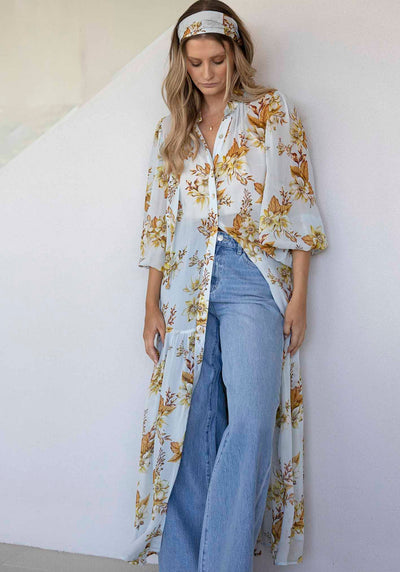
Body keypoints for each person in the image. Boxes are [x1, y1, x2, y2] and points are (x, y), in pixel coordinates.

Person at [124, 1, 328, 570]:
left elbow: (298, 205)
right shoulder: (172, 130)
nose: (207, 72)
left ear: (236, 54)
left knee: (253, 422)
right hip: (185, 283)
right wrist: (150, 304)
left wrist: (299, 295)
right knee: (191, 428)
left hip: (251, 278)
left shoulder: (272, 113)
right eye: (195, 63)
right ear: (182, 64)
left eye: (217, 59)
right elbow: (158, 223)